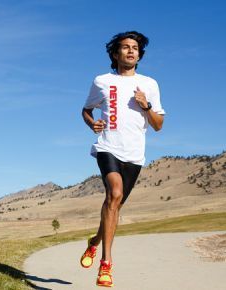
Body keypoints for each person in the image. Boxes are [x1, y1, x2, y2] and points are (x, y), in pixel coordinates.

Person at [79, 31, 165, 287]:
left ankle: (93, 242)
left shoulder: (149, 84)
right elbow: (86, 110)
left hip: (134, 155)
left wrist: (146, 106)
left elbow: (159, 125)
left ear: (139, 54)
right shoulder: (102, 81)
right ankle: (106, 265)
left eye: (135, 48)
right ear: (115, 53)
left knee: (114, 208)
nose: (131, 51)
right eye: (125, 47)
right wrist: (92, 123)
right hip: (108, 146)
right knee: (114, 194)